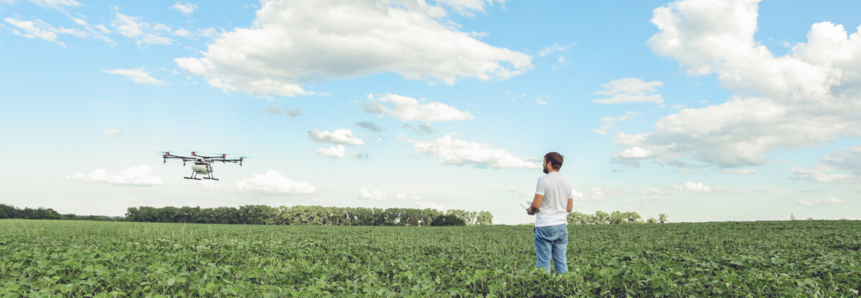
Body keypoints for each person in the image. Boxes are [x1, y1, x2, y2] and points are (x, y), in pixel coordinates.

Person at [526, 152, 573, 274]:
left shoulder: (543, 180)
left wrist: (531, 210)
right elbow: (569, 208)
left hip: (545, 225)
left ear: (549, 163)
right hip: (561, 226)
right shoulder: (567, 181)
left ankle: (545, 292)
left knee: (543, 264)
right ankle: (565, 289)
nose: (542, 164)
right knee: (561, 263)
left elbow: (536, 205)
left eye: (544, 162)